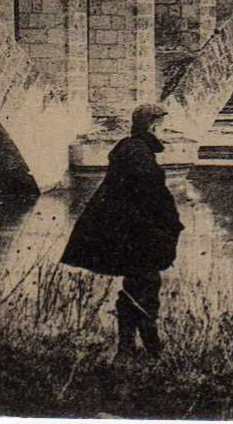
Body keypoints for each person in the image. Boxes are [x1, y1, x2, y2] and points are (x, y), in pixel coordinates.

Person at [60, 103, 185, 357]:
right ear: (152, 126)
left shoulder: (130, 149)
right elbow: (148, 193)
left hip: (129, 230)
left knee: (137, 284)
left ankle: (128, 347)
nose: (164, 130)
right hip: (138, 233)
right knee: (147, 284)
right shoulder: (138, 153)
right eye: (162, 125)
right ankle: (151, 349)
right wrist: (167, 222)